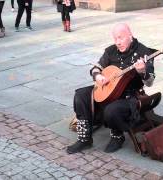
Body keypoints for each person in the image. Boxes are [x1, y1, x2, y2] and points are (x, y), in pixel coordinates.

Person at [66, 23, 157, 154]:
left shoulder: (144, 52)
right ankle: (84, 138)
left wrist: (142, 71)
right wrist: (97, 76)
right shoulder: (111, 51)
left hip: (129, 95)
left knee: (111, 109)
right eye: (115, 39)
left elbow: (149, 83)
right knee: (81, 95)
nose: (117, 42)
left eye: (120, 38)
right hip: (108, 89)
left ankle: (117, 137)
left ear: (130, 36)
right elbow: (96, 68)